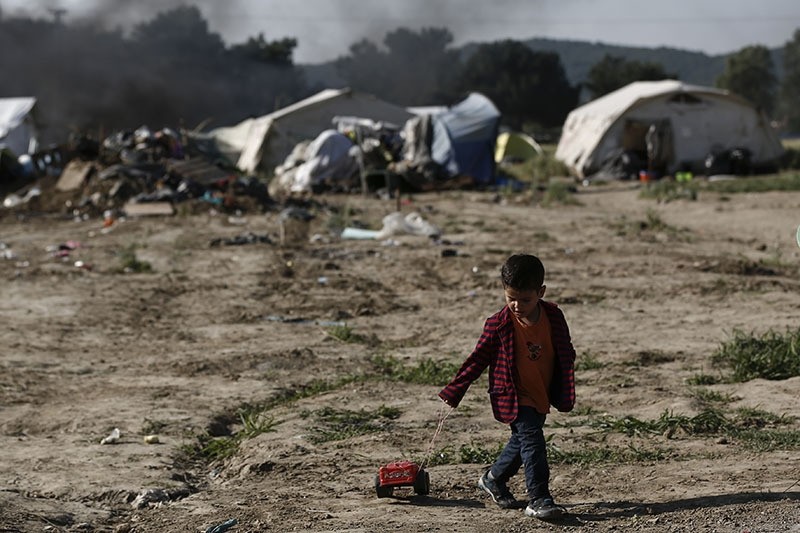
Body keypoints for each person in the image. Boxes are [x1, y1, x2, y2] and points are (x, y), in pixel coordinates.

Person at [438, 253, 576, 520]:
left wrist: (564, 377)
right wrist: (455, 390)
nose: (516, 305)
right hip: (514, 395)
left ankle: (493, 478)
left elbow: (565, 348)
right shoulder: (498, 324)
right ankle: (539, 498)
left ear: (541, 292)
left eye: (525, 300)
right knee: (533, 441)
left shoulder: (554, 316)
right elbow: (477, 359)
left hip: (541, 390)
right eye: (510, 297)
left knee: (521, 441)